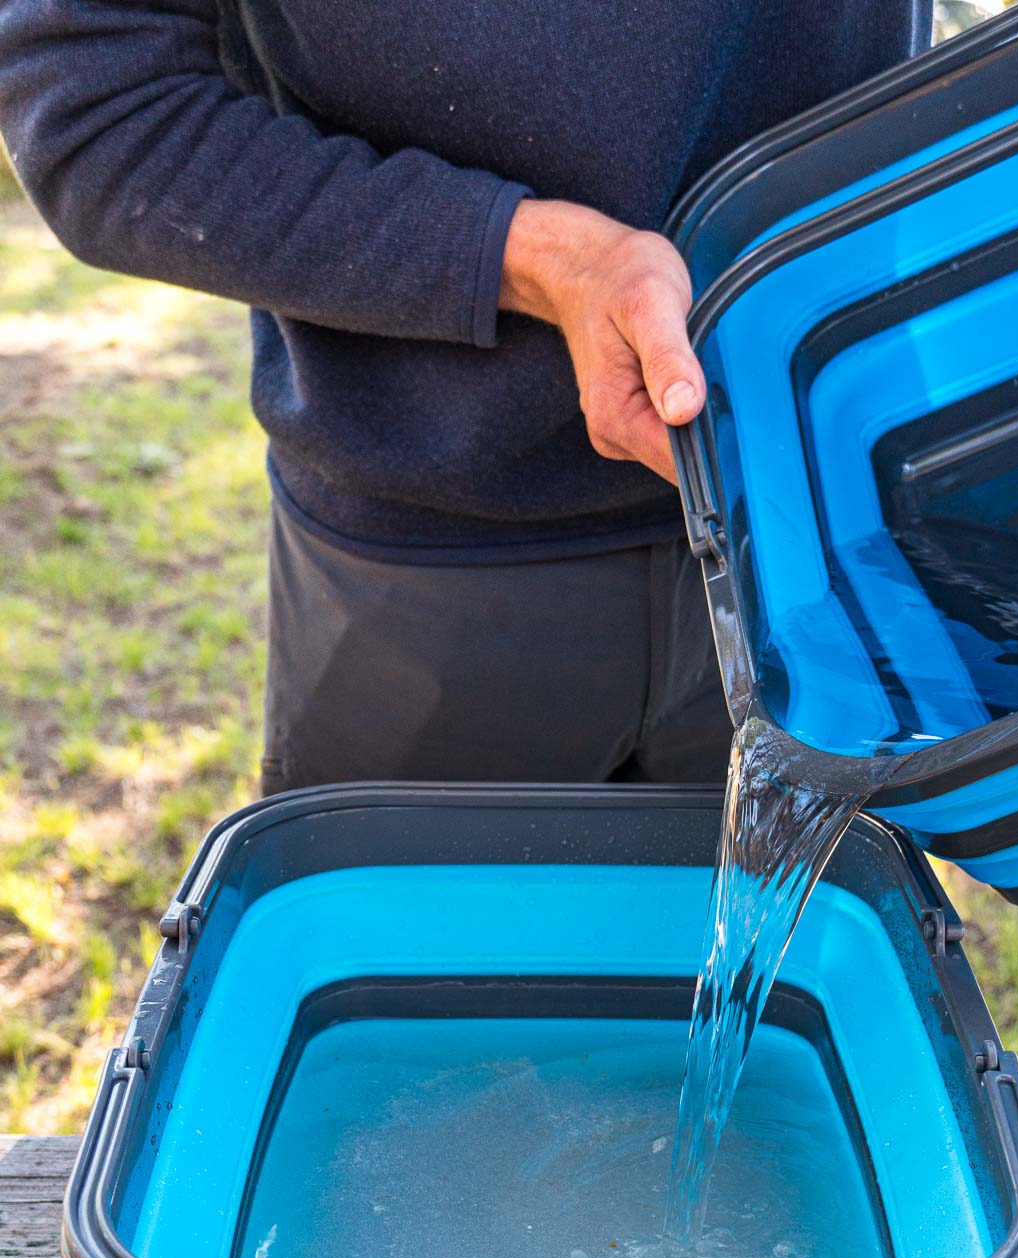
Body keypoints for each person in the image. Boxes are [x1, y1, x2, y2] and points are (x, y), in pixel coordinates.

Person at [0, 0, 930, 791]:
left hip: (822, 513)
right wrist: (531, 260)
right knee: (412, 984)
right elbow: (91, 106)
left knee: (801, 986)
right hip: (427, 564)